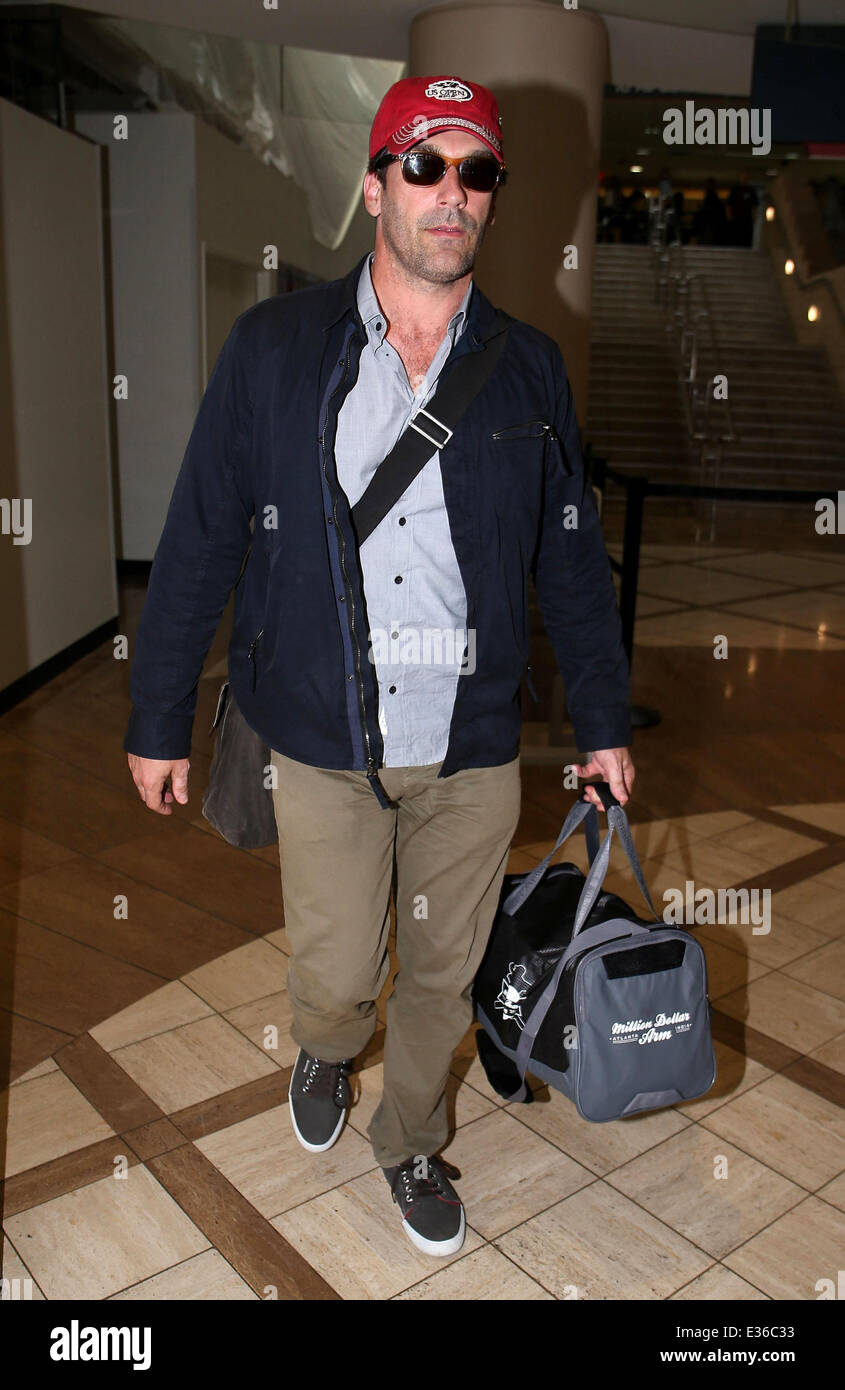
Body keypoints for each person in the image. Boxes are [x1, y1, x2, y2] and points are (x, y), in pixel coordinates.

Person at [124, 74, 634, 1259]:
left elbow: (569, 563)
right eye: (423, 163)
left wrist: (602, 722)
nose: (449, 192)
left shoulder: (526, 369)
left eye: (475, 170)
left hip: (468, 746)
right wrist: (158, 718)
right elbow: (200, 536)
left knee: (441, 977)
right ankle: (318, 1040)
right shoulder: (275, 350)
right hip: (321, 737)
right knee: (340, 968)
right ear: (373, 186)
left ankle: (406, 1138)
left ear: (492, 200)